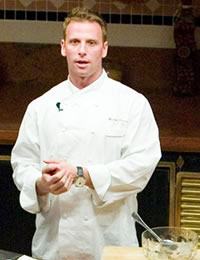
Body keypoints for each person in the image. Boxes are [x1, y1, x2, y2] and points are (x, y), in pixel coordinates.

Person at [11, 7, 161, 260]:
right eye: (75, 42)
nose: (82, 50)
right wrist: (41, 183)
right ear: (63, 47)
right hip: (54, 245)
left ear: (104, 48)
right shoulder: (40, 107)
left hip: (112, 242)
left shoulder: (132, 103)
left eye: (91, 43)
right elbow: (22, 165)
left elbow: (141, 166)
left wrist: (83, 174)